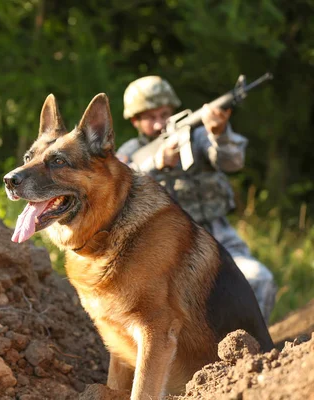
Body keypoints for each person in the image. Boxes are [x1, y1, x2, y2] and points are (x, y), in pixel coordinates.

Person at [116, 75, 277, 323]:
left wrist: (219, 133)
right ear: (135, 120)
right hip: (169, 248)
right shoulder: (127, 155)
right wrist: (156, 164)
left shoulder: (197, 137)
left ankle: (250, 348)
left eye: (165, 113)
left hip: (217, 235)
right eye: (150, 117)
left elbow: (233, 162)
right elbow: (120, 192)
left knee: (259, 280)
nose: (160, 124)